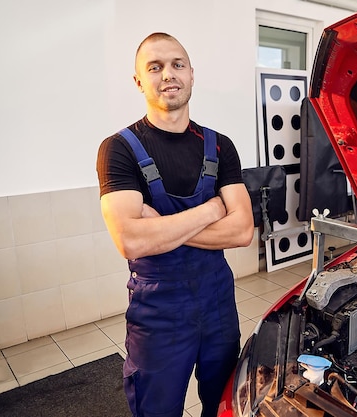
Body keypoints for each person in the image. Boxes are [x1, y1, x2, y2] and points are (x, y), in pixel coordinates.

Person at [96, 32, 254, 417]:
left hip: (218, 305)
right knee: (157, 409)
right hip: (159, 314)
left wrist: (162, 227)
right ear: (139, 81)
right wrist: (211, 209)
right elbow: (131, 240)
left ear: (191, 74)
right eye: (155, 67)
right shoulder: (118, 149)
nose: (168, 74)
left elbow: (243, 231)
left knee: (223, 405)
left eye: (177, 64)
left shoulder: (220, 146)